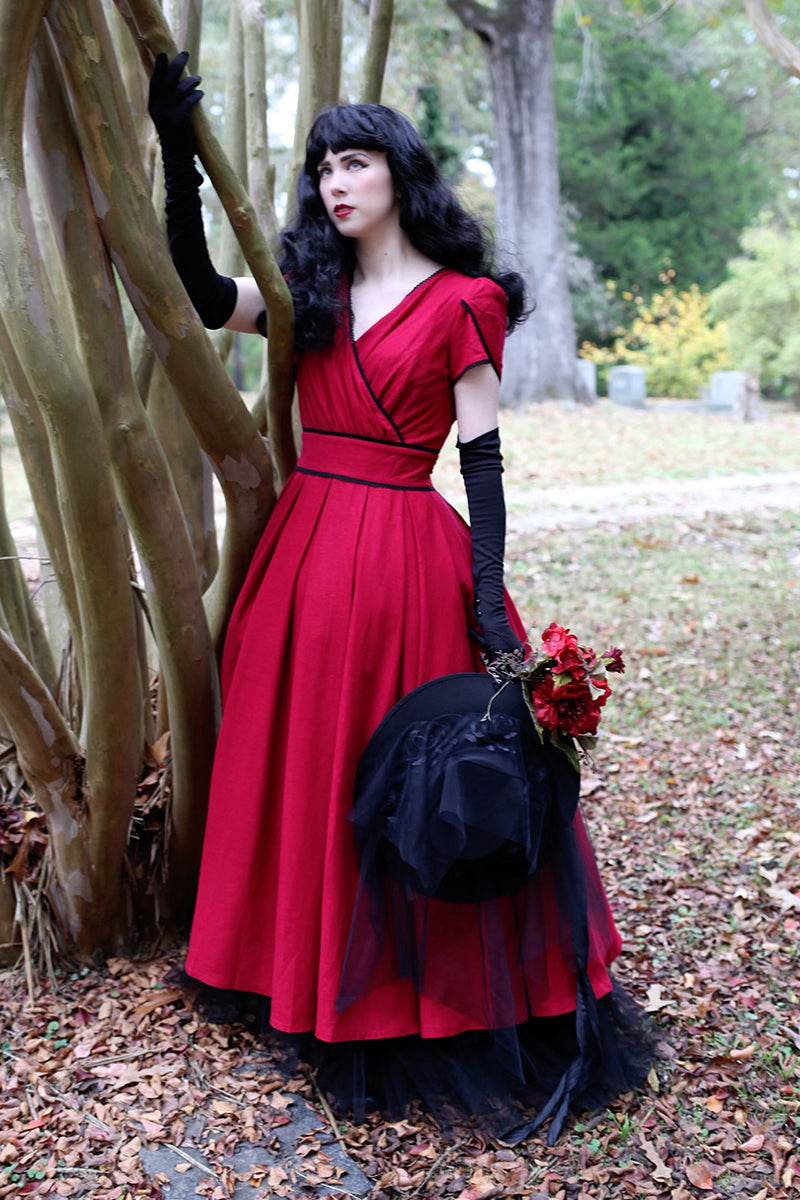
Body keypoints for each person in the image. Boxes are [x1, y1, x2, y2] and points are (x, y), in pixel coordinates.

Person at [148, 52, 656, 1144]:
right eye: (323, 166)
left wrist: (485, 602)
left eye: (356, 161)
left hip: (408, 561)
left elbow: (481, 464)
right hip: (303, 557)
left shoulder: (466, 301)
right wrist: (175, 152)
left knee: (437, 776)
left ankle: (423, 998)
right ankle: (300, 970)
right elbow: (197, 293)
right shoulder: (307, 296)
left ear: (399, 173)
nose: (336, 183)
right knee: (308, 763)